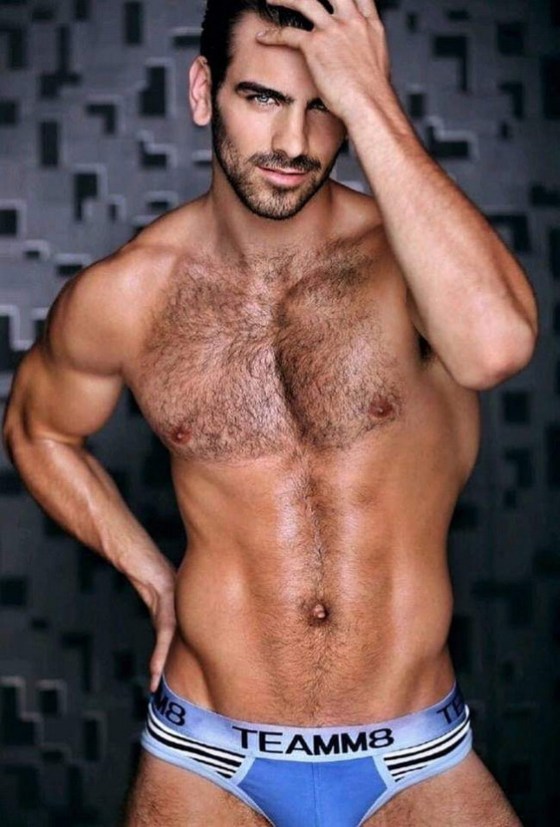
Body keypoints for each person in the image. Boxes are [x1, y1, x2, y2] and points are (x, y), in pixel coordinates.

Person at [3, 1, 537, 824]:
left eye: (324, 104)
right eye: (262, 98)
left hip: (413, 756)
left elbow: (495, 348)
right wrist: (154, 579)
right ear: (203, 91)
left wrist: (372, 98)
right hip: (205, 757)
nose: (293, 142)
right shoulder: (132, 291)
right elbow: (37, 429)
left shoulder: (415, 267)